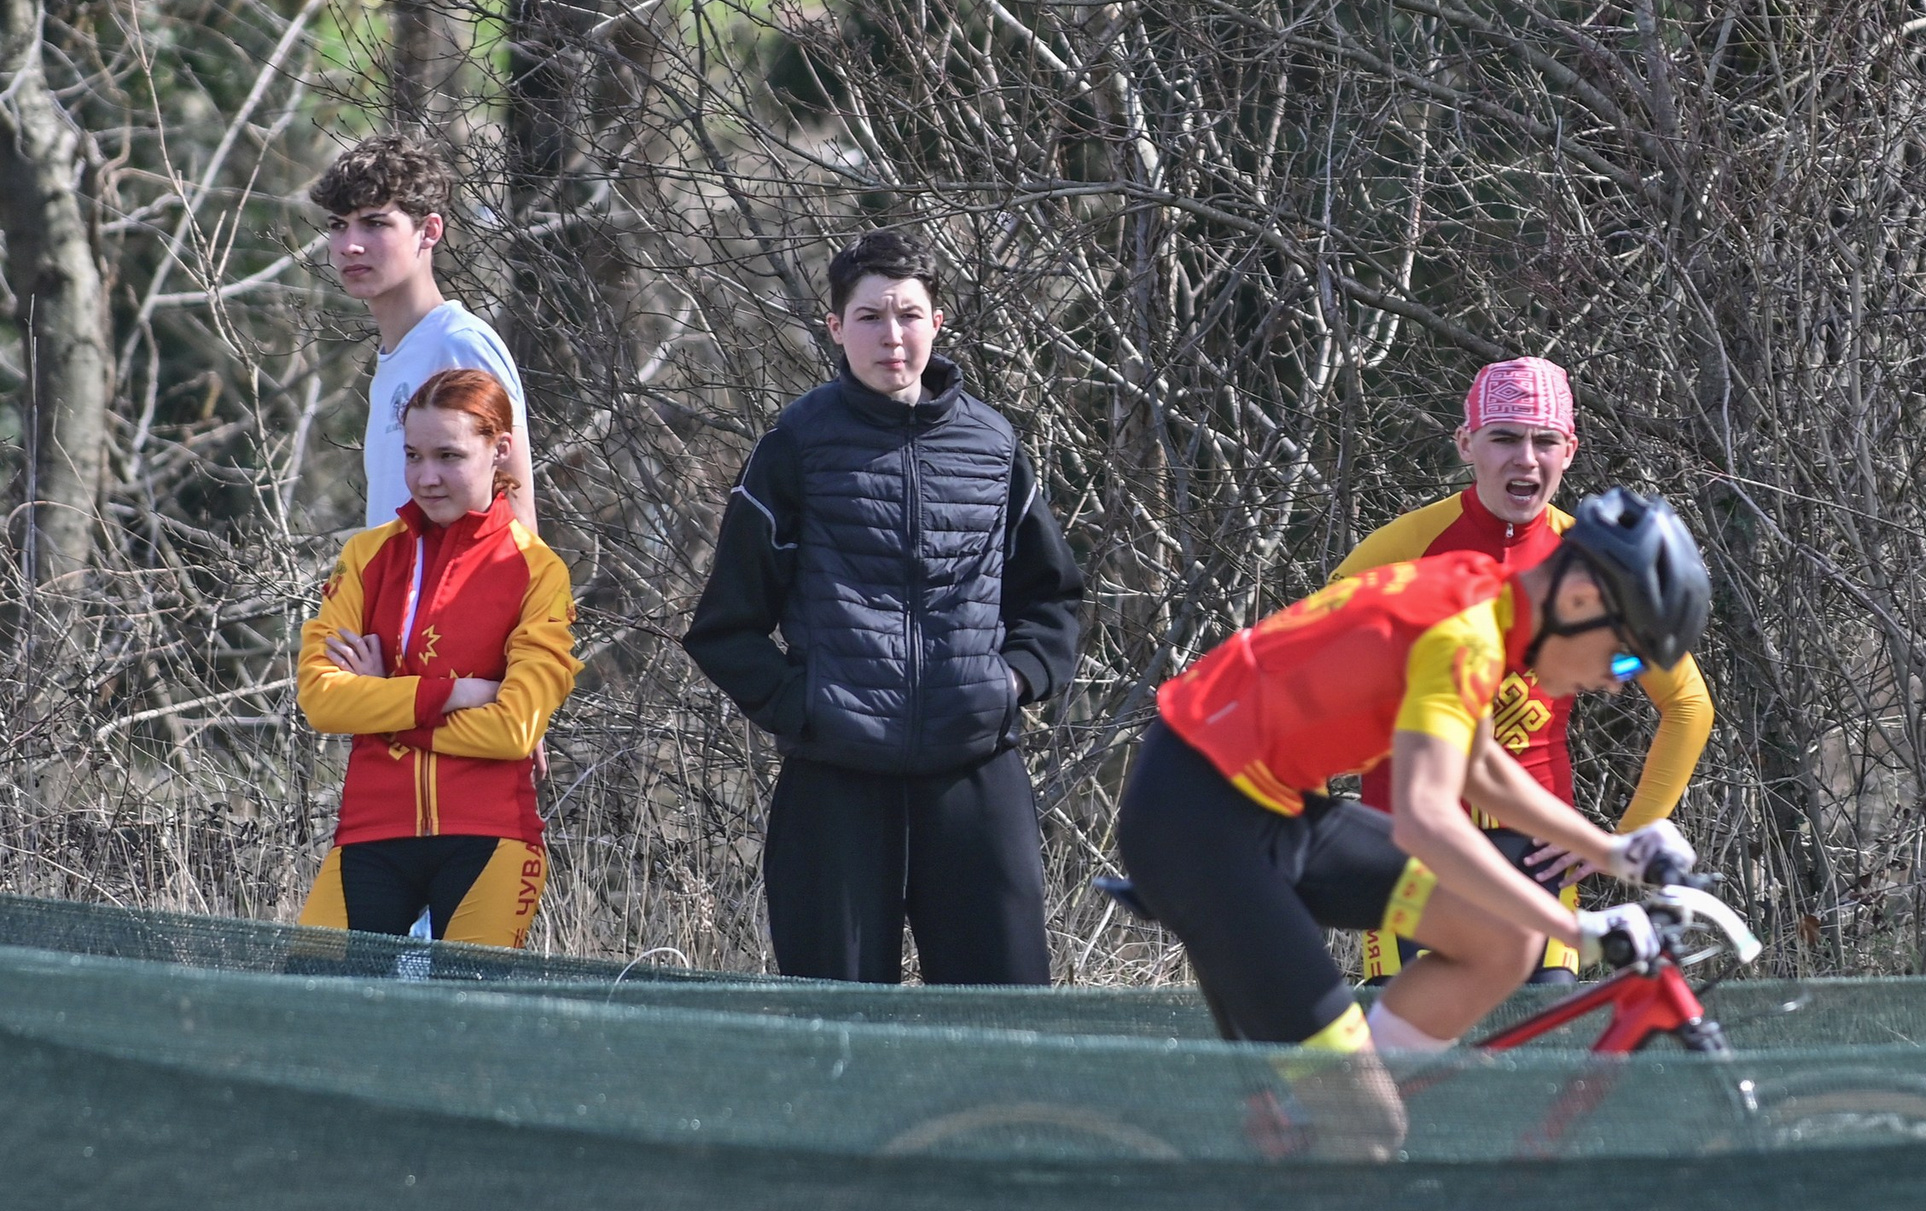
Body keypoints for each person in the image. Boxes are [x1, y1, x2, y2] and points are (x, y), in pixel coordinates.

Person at [1116, 486, 1714, 1162]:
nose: (1616, 683)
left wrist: (1613, 851)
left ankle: (1318, 1115)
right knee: (1371, 1129)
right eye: (1627, 658)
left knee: (1504, 940)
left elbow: (1478, 767)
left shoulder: (1487, 600)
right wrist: (1577, 929)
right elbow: (1428, 818)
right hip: (1198, 826)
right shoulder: (1467, 634)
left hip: (1257, 804)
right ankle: (1338, 1180)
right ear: (1579, 602)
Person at [684, 230, 1083, 984]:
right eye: (869, 317)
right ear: (835, 328)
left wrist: (1008, 685)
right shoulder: (795, 445)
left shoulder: (994, 445)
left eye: (907, 314)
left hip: (975, 774)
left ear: (938, 321)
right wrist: (806, 706)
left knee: (1004, 1029)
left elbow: (1053, 598)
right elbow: (724, 626)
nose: (891, 336)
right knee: (837, 1036)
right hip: (836, 784)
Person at [1330, 357, 1712, 986]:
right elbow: (1308, 692)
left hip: (1536, 848)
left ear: (1571, 449)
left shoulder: (1593, 561)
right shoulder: (1400, 550)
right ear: (1466, 445)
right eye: (1504, 437)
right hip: (1410, 842)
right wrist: (1324, 840)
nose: (1525, 460)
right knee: (1415, 1065)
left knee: (1540, 1047)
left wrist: (1625, 834)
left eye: (1544, 440)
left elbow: (1688, 704)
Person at [295, 369, 579, 947]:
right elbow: (321, 701)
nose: (426, 478)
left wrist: (385, 705)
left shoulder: (538, 570)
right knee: (312, 1013)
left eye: (449, 455)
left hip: (492, 836)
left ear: (500, 450)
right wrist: (449, 693)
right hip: (371, 832)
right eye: (412, 455)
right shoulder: (366, 555)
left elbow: (513, 731)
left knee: (468, 1027)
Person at [311, 134, 539, 536]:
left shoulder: (458, 345)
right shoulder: (395, 355)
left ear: (430, 231)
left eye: (374, 223)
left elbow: (517, 521)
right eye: (338, 226)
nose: (350, 245)